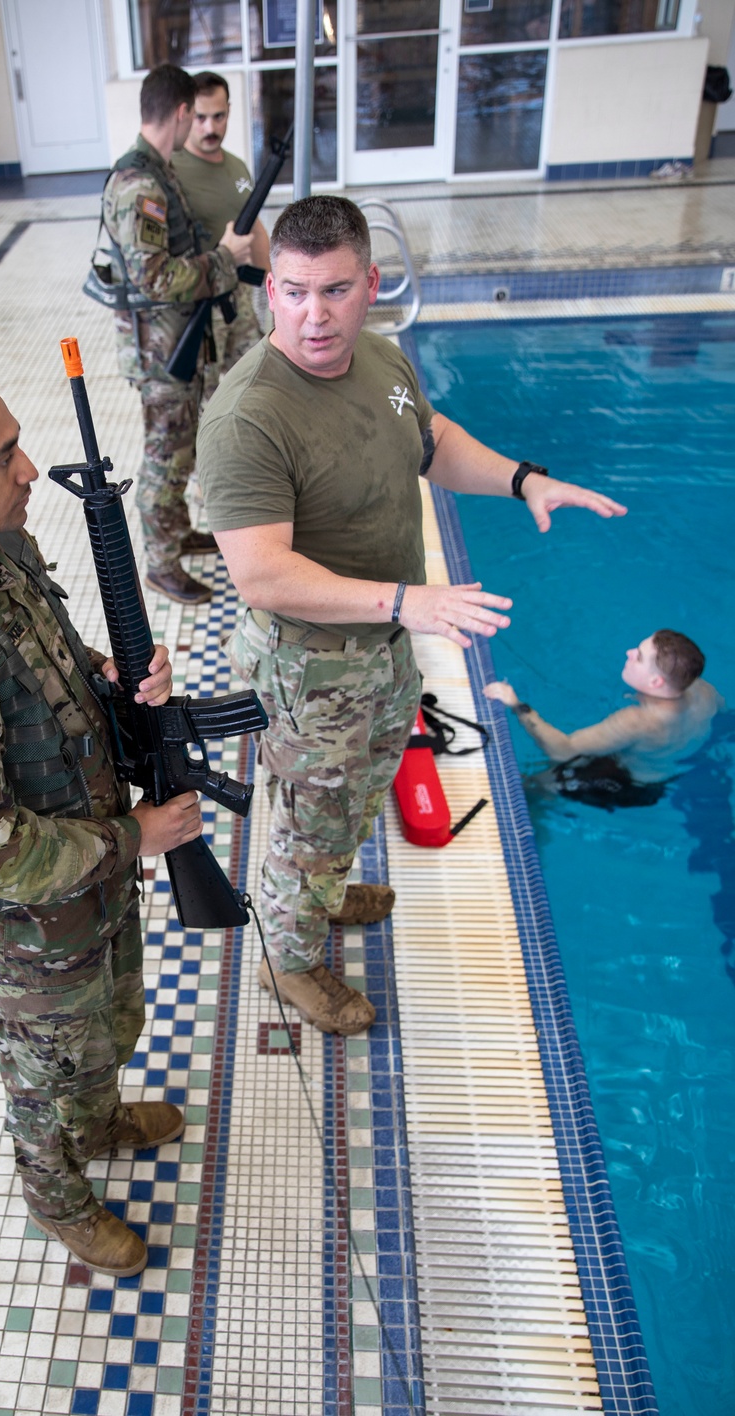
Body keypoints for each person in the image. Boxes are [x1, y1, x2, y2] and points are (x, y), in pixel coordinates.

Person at [195, 195, 627, 1037]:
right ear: (270, 289)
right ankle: (291, 958)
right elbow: (262, 575)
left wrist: (522, 478)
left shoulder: (383, 361)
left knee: (356, 797)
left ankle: (322, 886)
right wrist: (410, 600)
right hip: (313, 666)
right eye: (291, 291)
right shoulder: (248, 415)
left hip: (384, 647)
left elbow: (430, 441)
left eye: (334, 291)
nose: (313, 316)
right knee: (310, 827)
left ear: (372, 284)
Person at [0, 365, 205, 1277]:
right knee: (46, 1063)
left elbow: (47, 657)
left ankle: (95, 1123)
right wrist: (140, 836)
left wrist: (113, 673)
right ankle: (55, 1194)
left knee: (113, 1020)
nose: (28, 471)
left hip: (91, 861)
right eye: (5, 455)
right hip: (39, 915)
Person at [102, 63, 254, 605]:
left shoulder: (158, 171)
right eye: (198, 114)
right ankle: (161, 564)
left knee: (181, 447)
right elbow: (155, 277)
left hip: (176, 343)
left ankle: (178, 531)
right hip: (160, 350)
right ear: (184, 112)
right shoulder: (141, 181)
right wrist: (223, 261)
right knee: (165, 456)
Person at [485, 630, 723, 806]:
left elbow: (563, 751)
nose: (628, 653)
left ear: (655, 682)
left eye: (638, 656)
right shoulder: (704, 691)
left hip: (624, 783)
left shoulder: (637, 721)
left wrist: (517, 706)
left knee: (528, 788)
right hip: (660, 775)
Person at [172, 71, 270, 403]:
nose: (210, 128)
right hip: (199, 306)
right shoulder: (172, 170)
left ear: (229, 110)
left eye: (219, 116)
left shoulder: (237, 167)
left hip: (237, 297)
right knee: (207, 401)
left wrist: (280, 284)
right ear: (185, 114)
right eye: (200, 118)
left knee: (262, 379)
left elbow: (254, 227)